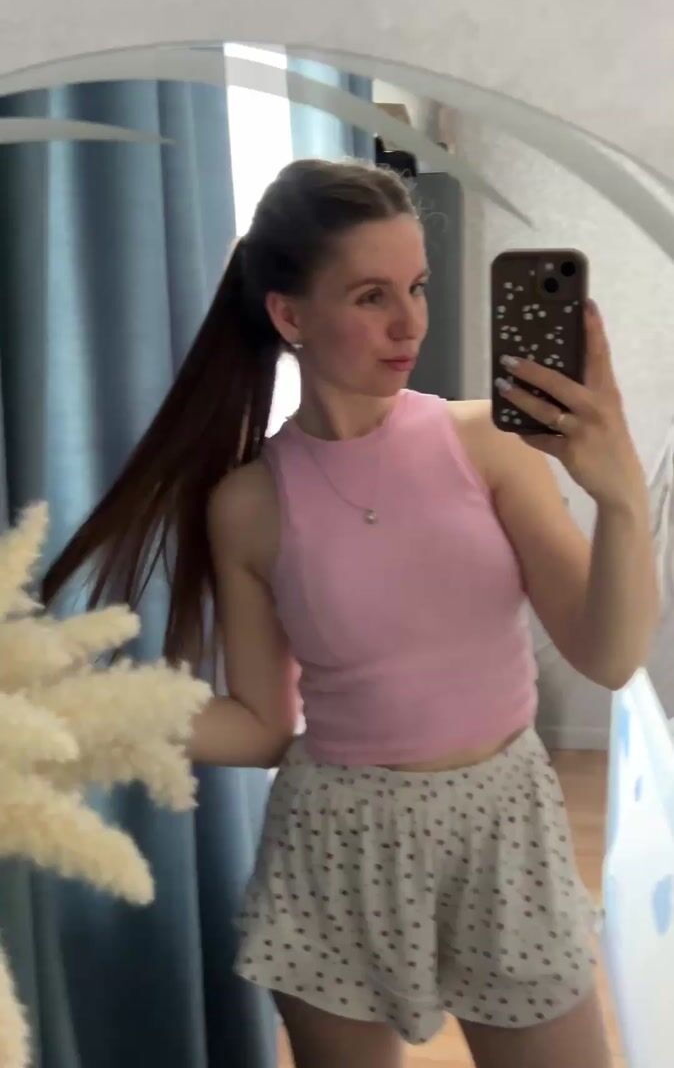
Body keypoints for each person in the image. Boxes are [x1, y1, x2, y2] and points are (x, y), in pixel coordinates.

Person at [43, 159, 658, 1068]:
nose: (411, 322)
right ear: (290, 315)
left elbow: (607, 655)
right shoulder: (249, 504)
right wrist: (74, 708)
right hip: (337, 843)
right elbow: (261, 725)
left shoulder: (487, 445)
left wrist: (621, 498)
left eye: (417, 286)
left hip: (505, 829)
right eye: (373, 296)